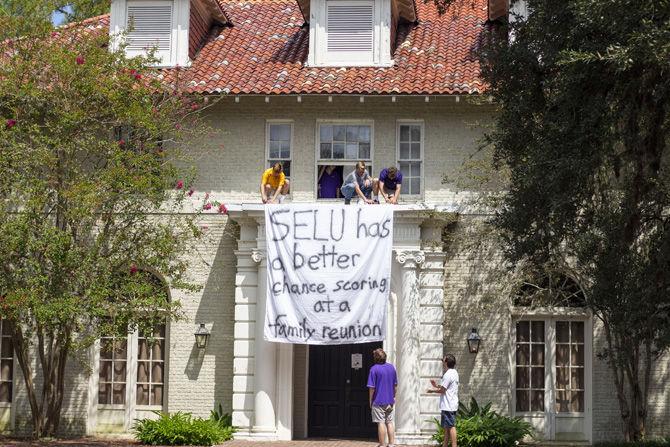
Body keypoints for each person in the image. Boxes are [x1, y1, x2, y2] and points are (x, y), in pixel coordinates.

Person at [427, 354, 459, 447]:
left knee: (451, 426)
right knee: (447, 427)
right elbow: (445, 387)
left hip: (448, 405)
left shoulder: (448, 374)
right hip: (450, 404)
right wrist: (435, 385)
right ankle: (444, 445)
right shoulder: (454, 373)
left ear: (446, 362)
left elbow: (443, 390)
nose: (442, 362)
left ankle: (454, 445)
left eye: (443, 360)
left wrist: (431, 391)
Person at [367, 348, 397, 447]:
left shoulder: (374, 369)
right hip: (389, 400)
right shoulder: (391, 368)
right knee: (389, 422)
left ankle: (382, 444)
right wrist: (393, 396)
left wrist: (370, 400)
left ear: (375, 358)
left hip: (378, 400)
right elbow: (395, 385)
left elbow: (372, 388)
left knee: (381, 422)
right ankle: (392, 444)